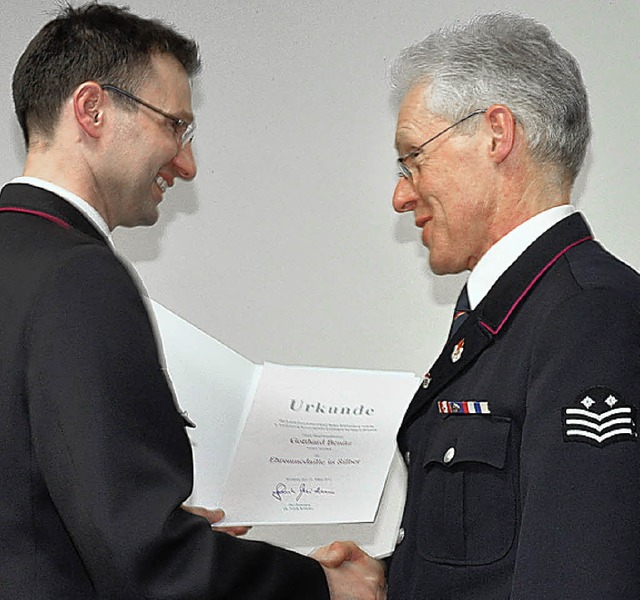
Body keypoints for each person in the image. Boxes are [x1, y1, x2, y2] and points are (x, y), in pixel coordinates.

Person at [0, 4, 384, 599]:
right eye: (174, 125)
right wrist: (321, 587)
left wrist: (155, 522)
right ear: (91, 109)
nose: (186, 161)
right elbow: (144, 562)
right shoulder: (80, 276)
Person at [326, 12, 640, 599]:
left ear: (497, 134)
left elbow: (582, 577)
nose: (401, 194)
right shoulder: (512, 313)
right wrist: (386, 581)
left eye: (413, 158)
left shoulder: (591, 316)